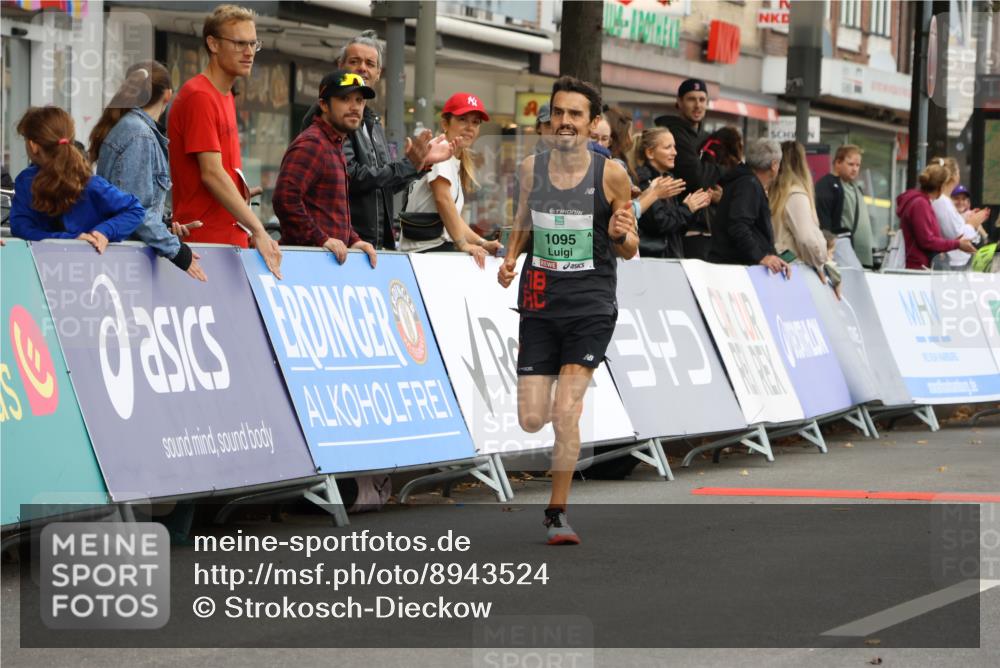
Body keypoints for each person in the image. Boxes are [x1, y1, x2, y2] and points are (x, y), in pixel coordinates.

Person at [497, 76, 638, 545]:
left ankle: (557, 513)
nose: (564, 121)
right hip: (539, 302)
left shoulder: (611, 175)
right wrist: (511, 256)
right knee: (532, 418)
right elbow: (523, 219)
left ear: (592, 122)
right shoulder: (530, 169)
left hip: (590, 306)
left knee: (565, 412)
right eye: (558, 112)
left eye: (575, 114)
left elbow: (631, 247)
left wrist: (620, 233)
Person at [300, 31, 453, 250]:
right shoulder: (328, 116)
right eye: (354, 61)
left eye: (370, 63)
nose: (362, 68)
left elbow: (384, 184)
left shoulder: (372, 121)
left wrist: (420, 163)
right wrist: (407, 165)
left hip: (370, 246)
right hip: (340, 245)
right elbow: (350, 176)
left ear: (378, 73)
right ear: (340, 66)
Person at [166, 3, 281, 278]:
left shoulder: (224, 94)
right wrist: (258, 228)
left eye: (253, 44)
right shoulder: (200, 96)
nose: (249, 52)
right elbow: (212, 174)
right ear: (213, 44)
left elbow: (219, 173)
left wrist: (241, 195)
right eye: (240, 43)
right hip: (204, 247)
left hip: (225, 244)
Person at [90, 61, 206, 281]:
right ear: (168, 95)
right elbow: (136, 211)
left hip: (121, 257)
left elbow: (135, 206)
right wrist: (178, 252)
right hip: (125, 263)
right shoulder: (139, 134)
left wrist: (165, 226)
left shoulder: (130, 128)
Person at [273, 70, 378, 267]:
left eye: (359, 100)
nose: (355, 107)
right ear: (323, 105)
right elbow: (284, 199)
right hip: (305, 266)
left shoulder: (334, 144)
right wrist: (320, 239)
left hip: (323, 265)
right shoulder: (313, 143)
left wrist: (353, 240)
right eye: (345, 99)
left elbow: (330, 212)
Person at [10, 107, 143, 250]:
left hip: (39, 261)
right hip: (91, 261)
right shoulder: (89, 181)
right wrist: (103, 232)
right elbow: (135, 210)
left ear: (33, 145)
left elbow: (20, 228)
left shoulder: (26, 181)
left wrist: (65, 238)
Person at [399, 92, 502, 266]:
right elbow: (443, 200)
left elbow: (453, 216)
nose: (470, 127)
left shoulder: (453, 157)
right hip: (424, 253)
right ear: (445, 123)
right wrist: (463, 244)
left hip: (432, 250)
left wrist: (482, 243)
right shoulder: (440, 149)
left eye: (475, 122)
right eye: (462, 119)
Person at [654, 79, 727, 260]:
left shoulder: (707, 137)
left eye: (702, 100)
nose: (697, 105)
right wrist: (722, 169)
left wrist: (721, 194)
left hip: (709, 229)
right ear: (679, 102)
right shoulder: (673, 133)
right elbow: (697, 177)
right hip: (684, 229)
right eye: (691, 99)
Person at [708, 138, 790, 277]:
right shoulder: (749, 184)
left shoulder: (744, 182)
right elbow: (738, 226)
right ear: (774, 165)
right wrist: (761, 256)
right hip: (735, 270)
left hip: (733, 266)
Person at [632, 127, 711, 258]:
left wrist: (694, 208)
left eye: (674, 147)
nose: (674, 152)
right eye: (668, 147)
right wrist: (687, 209)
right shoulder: (642, 180)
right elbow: (660, 224)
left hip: (671, 256)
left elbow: (677, 227)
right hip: (653, 260)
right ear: (650, 153)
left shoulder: (668, 178)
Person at [896, 161, 977, 270]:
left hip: (919, 265)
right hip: (918, 267)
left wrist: (953, 243)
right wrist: (957, 244)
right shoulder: (920, 204)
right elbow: (927, 241)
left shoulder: (922, 202)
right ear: (941, 186)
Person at [769, 141, 828, 281]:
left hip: (778, 268)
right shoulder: (796, 195)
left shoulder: (775, 193)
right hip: (794, 272)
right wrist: (820, 263)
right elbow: (807, 239)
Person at [815, 144, 874, 268]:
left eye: (858, 165)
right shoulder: (828, 185)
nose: (855, 169)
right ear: (838, 163)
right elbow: (824, 221)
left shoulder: (856, 187)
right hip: (842, 253)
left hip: (860, 254)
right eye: (850, 164)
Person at [930, 159, 988, 270]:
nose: (960, 202)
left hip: (957, 261)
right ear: (955, 176)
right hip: (948, 263)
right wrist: (973, 223)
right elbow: (957, 236)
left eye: (964, 199)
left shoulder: (944, 201)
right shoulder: (942, 201)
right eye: (957, 198)